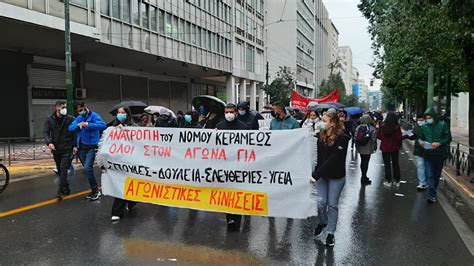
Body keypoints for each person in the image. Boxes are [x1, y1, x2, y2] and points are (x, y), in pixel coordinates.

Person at [312, 112, 350, 247]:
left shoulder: (343, 138)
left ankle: (330, 233)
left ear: (332, 123)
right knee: (321, 202)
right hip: (322, 175)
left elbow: (333, 159)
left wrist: (317, 173)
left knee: (332, 204)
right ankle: (323, 221)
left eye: (324, 120)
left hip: (336, 176)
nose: (321, 122)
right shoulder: (320, 136)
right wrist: (315, 172)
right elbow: (320, 157)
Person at [215, 103, 249, 231]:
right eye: (226, 112)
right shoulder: (219, 126)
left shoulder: (243, 128)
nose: (228, 114)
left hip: (239, 165)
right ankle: (229, 217)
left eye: (231, 112)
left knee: (237, 192)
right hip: (224, 165)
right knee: (227, 193)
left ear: (235, 113)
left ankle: (236, 217)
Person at [68, 100, 107, 201]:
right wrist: (77, 125)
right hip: (81, 147)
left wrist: (88, 124)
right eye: (78, 111)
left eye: (81, 110)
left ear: (85, 106)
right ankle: (94, 190)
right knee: (87, 170)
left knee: (87, 169)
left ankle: (96, 191)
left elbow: (103, 125)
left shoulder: (94, 116)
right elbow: (70, 128)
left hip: (91, 146)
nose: (80, 112)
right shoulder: (79, 118)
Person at [43, 101, 77, 199]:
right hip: (56, 149)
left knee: (63, 169)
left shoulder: (70, 119)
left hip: (67, 148)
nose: (64, 109)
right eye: (62, 107)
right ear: (57, 108)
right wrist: (49, 142)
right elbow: (45, 132)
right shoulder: (50, 119)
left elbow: (74, 133)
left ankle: (60, 191)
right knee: (59, 169)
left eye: (65, 107)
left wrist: (74, 145)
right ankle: (67, 187)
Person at [110, 106, 138, 221]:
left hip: (130, 160)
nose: (120, 114)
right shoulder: (113, 125)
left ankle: (132, 200)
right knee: (120, 184)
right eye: (118, 112)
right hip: (118, 160)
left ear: (127, 114)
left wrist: (125, 131)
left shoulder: (134, 126)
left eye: (123, 112)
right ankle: (117, 211)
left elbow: (138, 141)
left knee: (128, 184)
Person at [419, 107, 452, 203]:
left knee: (436, 175)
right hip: (428, 154)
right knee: (429, 175)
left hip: (439, 154)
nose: (428, 119)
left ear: (434, 117)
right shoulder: (424, 127)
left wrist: (439, 143)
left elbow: (448, 138)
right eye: (427, 117)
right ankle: (431, 194)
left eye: (430, 117)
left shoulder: (442, 125)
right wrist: (421, 142)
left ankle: (433, 190)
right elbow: (420, 138)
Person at [377, 112, 402, 187]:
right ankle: (397, 181)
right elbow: (398, 137)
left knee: (387, 164)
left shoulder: (382, 125)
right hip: (394, 147)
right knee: (395, 163)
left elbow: (379, 136)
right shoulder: (396, 126)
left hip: (385, 148)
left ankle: (388, 180)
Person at [355, 114, 377, 185]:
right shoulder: (372, 128)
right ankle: (364, 176)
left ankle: (363, 175)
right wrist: (374, 147)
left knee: (362, 161)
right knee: (366, 162)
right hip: (368, 148)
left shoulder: (358, 127)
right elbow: (374, 139)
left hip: (360, 147)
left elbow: (355, 137)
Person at [412, 114, 427, 190]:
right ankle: (422, 183)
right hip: (418, 149)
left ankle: (427, 182)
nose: (420, 122)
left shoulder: (428, 127)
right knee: (420, 165)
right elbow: (413, 136)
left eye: (422, 120)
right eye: (419, 120)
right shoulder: (416, 127)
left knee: (427, 166)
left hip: (428, 149)